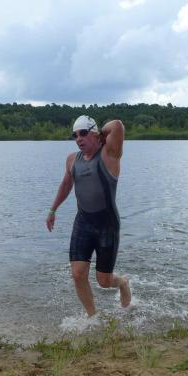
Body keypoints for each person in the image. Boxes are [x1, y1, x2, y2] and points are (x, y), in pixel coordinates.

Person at [46, 115, 131, 316]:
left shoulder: (109, 154)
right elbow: (66, 184)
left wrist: (101, 133)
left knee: (104, 281)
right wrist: (53, 210)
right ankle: (93, 316)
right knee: (77, 274)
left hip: (107, 225)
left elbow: (117, 125)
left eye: (83, 133)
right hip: (83, 222)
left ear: (95, 134)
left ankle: (122, 282)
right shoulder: (72, 160)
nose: (78, 139)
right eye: (75, 135)